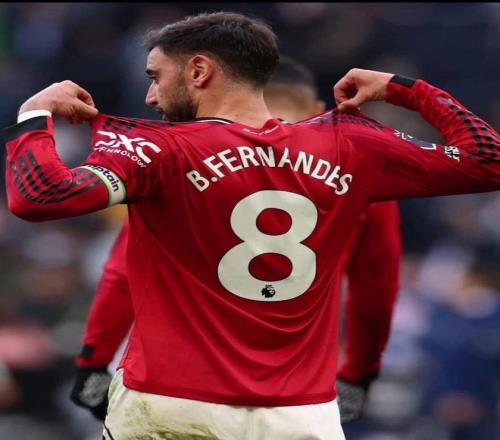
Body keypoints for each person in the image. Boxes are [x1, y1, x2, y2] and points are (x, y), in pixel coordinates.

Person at [3, 11, 500, 440]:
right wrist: (405, 89)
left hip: (169, 402)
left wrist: (33, 116)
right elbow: (489, 160)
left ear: (199, 70)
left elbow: (40, 197)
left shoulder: (158, 150)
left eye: (156, 76)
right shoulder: (351, 146)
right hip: (300, 414)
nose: (151, 96)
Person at [69, 56, 403, 425]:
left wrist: (93, 359)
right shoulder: (355, 167)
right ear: (318, 110)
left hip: (180, 388)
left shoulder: (179, 157)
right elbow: (375, 285)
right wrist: (359, 371)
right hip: (295, 396)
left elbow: (124, 273)